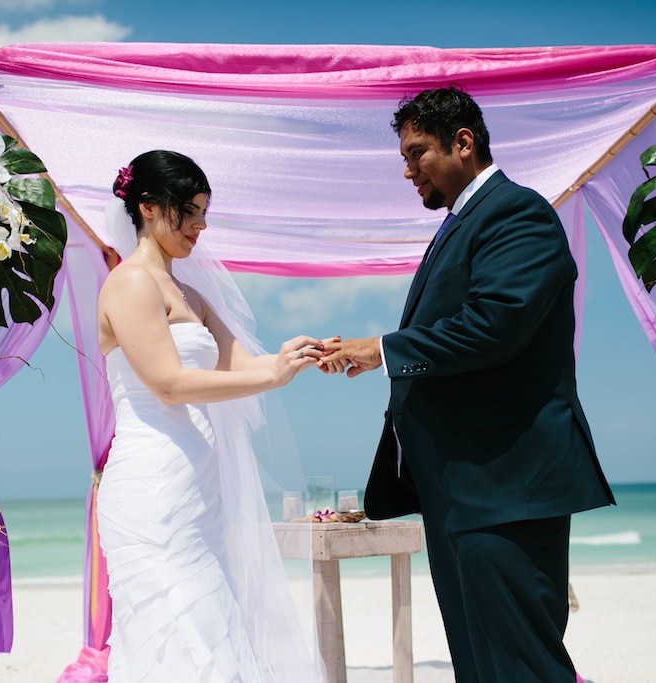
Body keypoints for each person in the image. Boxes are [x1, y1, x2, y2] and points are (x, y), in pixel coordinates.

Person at [320, 87, 615, 682]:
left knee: (519, 667)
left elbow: (495, 325)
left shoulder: (516, 212)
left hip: (505, 486)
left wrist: (381, 350)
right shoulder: (463, 223)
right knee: (481, 669)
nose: (408, 171)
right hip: (462, 491)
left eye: (417, 153)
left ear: (464, 142)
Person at [95, 150, 326, 682]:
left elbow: (243, 364)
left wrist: (302, 356)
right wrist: (271, 376)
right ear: (148, 208)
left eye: (204, 211)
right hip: (151, 485)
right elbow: (169, 385)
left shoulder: (191, 294)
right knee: (175, 631)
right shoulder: (130, 283)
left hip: (197, 488)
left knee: (212, 629)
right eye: (190, 211)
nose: (201, 225)